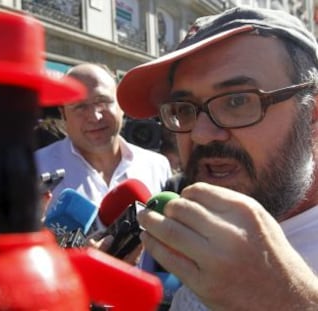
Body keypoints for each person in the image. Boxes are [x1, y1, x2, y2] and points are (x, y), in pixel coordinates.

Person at [117, 6, 318, 310]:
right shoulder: (184, 234)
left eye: (237, 100)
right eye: (184, 108)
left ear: (312, 114)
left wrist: (288, 299)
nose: (201, 134)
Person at [34, 63, 172, 229]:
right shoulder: (36, 167)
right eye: (80, 106)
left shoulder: (157, 166)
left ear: (121, 105)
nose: (94, 116)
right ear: (63, 114)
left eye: (102, 101)